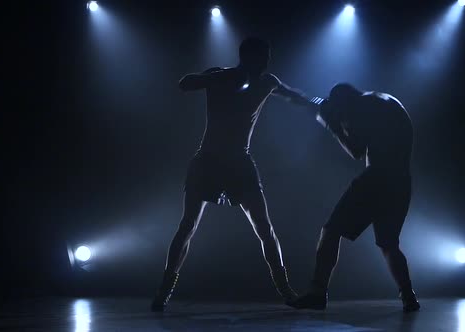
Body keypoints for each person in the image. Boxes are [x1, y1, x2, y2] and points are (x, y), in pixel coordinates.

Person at [151, 37, 320, 311]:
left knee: (264, 228)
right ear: (248, 57)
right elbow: (184, 83)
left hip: (239, 163)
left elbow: (296, 96)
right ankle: (163, 290)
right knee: (188, 225)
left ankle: (286, 291)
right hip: (208, 160)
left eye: (268, 56)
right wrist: (218, 77)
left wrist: (321, 104)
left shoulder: (267, 82)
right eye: (263, 56)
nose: (267, 61)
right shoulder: (220, 76)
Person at [289, 83, 420, 312]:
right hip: (400, 182)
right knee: (389, 244)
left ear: (344, 102)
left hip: (376, 179)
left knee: (330, 231)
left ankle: (317, 293)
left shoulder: (362, 107)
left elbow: (356, 150)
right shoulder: (382, 99)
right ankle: (409, 296)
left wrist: (331, 124)